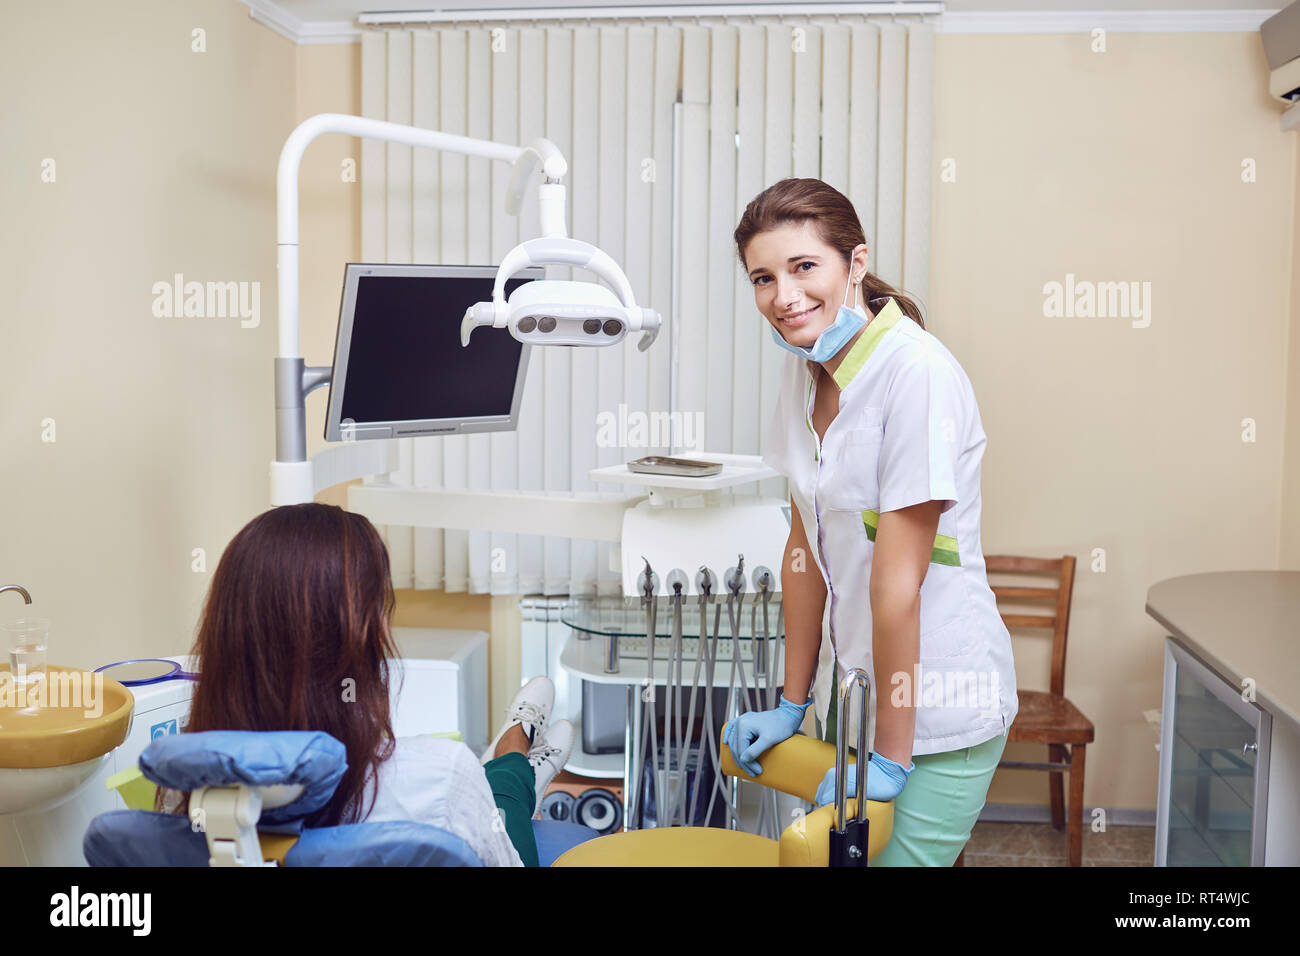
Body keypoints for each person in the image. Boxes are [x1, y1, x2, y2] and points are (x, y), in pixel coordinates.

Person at [723, 178, 1019, 866]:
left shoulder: (916, 373)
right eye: (762, 278)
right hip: (852, 697)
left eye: (803, 267)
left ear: (854, 264)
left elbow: (895, 584)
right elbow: (804, 550)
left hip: (938, 711)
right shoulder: (805, 371)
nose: (783, 297)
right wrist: (791, 703)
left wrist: (888, 757)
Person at [155, 502, 574, 867]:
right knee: (503, 798)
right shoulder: (439, 775)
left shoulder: (188, 795)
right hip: (469, 797)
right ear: (366, 636)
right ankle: (515, 757)